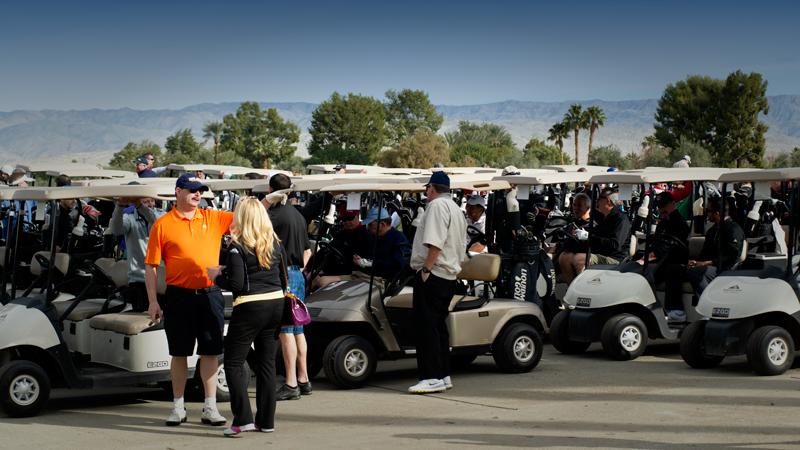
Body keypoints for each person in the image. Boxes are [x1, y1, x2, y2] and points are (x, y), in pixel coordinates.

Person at [144, 174, 233, 427]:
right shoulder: (162, 224)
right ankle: (178, 407)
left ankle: (210, 408)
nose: (198, 194)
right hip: (178, 297)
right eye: (193, 190)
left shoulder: (213, 217)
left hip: (210, 295)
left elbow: (249, 217)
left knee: (211, 352)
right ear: (178, 192)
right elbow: (150, 266)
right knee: (179, 353)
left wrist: (268, 200)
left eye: (200, 190)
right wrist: (153, 301)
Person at [206, 198, 287, 436]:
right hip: (276, 304)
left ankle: (242, 420)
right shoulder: (273, 241)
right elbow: (278, 277)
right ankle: (266, 422)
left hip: (250, 307)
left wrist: (215, 276)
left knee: (232, 364)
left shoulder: (236, 245)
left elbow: (237, 286)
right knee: (266, 365)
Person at [409, 171, 467, 394]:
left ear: (432, 188)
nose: (426, 192)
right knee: (438, 326)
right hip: (449, 275)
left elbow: (435, 243)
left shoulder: (435, 206)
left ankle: (431, 376)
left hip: (434, 273)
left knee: (426, 327)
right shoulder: (455, 208)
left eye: (427, 188)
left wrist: (426, 269)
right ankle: (443, 374)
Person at [261, 173, 312, 401]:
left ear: (271, 189)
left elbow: (255, 229)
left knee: (285, 330)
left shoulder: (273, 215)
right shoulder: (299, 216)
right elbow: (308, 251)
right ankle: (304, 379)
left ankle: (291, 383)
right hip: (297, 274)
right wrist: (298, 270)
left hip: (283, 276)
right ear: (289, 191)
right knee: (298, 329)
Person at [663, 196, 744, 322]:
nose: (706, 214)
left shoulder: (733, 230)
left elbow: (731, 257)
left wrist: (704, 263)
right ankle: (677, 311)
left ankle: (709, 308)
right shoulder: (712, 231)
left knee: (694, 272)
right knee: (672, 269)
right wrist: (695, 263)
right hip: (706, 267)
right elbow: (705, 253)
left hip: (723, 270)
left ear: (717, 213)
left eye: (708, 211)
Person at [559, 187, 630, 286]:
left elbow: (615, 245)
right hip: (600, 253)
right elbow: (596, 239)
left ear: (608, 201)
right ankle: (572, 290)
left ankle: (583, 292)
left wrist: (589, 237)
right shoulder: (603, 217)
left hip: (614, 258)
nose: (597, 201)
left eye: (599, 198)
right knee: (564, 257)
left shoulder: (621, 219)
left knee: (579, 259)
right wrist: (583, 239)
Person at [109, 190, 166, 310]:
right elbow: (116, 230)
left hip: (161, 278)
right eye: (146, 202)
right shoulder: (129, 218)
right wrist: (119, 206)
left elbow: (160, 224)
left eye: (152, 200)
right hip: (138, 278)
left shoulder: (161, 215)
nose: (151, 204)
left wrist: (141, 206)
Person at [308, 205, 373, 291]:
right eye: (344, 219)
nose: (347, 222)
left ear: (357, 216)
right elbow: (326, 250)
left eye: (350, 219)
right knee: (307, 274)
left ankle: (299, 301)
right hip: (335, 268)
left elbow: (348, 261)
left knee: (316, 279)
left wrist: (324, 270)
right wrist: (309, 265)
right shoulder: (342, 233)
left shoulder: (364, 237)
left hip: (349, 272)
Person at [635, 192, 690, 284]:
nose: (661, 210)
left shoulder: (679, 224)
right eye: (659, 207)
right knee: (631, 268)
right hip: (658, 262)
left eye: (664, 206)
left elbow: (665, 249)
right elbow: (655, 245)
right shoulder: (663, 223)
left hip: (669, 263)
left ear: (673, 203)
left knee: (638, 274)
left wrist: (644, 259)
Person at [351, 207, 409, 287]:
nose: (369, 228)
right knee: (328, 282)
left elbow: (398, 265)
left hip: (378, 280)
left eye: (371, 225)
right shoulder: (374, 237)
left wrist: (372, 263)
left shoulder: (399, 238)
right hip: (358, 275)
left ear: (382, 225)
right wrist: (359, 260)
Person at [549, 192, 591, 267]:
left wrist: (582, 239)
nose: (576, 208)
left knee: (546, 259)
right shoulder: (572, 224)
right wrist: (556, 247)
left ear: (587, 208)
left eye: (579, 205)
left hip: (573, 258)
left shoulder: (590, 227)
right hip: (561, 253)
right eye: (574, 205)